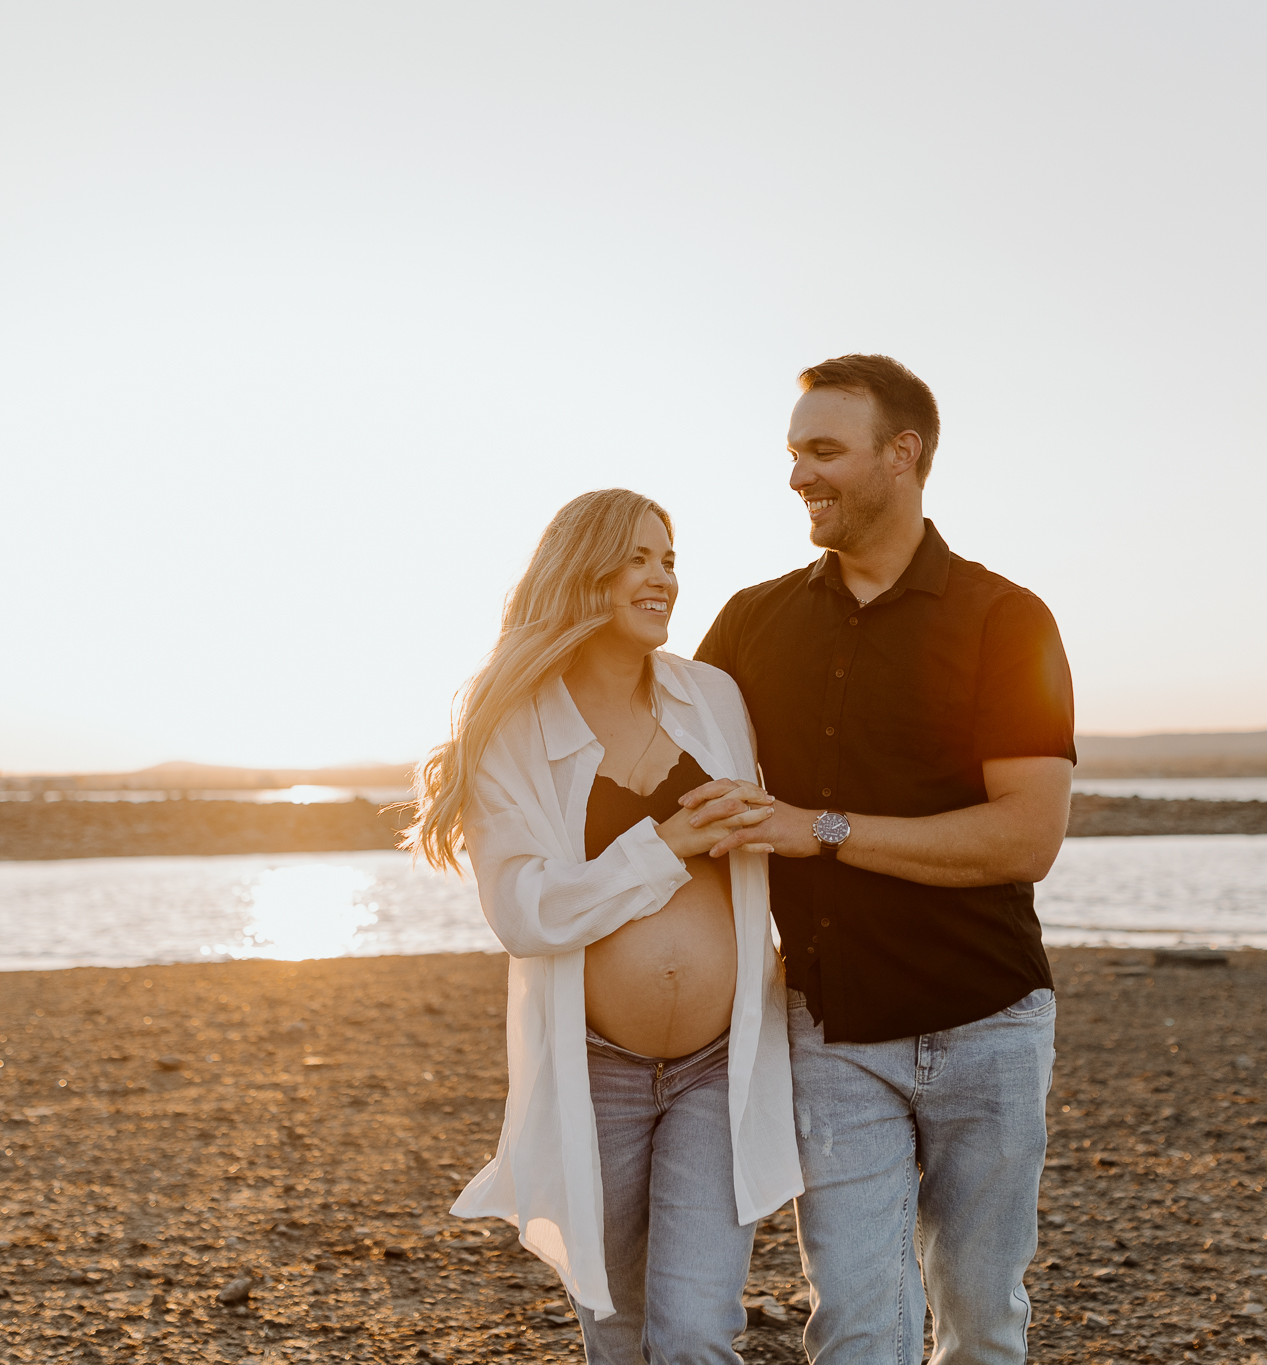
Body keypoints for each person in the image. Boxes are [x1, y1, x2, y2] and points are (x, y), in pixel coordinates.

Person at [690, 355, 1077, 1365]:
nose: (796, 478)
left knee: (980, 1319)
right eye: (791, 454)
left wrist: (817, 827)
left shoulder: (1007, 619)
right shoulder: (746, 622)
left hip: (988, 1026)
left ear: (901, 455)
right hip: (830, 1031)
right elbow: (676, 790)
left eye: (823, 452)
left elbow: (1024, 837)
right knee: (856, 1325)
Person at [405, 488, 802, 1364]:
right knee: (619, 1336)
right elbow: (526, 910)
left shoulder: (715, 699)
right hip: (600, 1073)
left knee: (697, 1332)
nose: (662, 576)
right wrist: (664, 843)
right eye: (637, 558)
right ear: (581, 574)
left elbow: (765, 830)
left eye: (669, 558)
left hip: (718, 1064)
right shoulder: (513, 725)